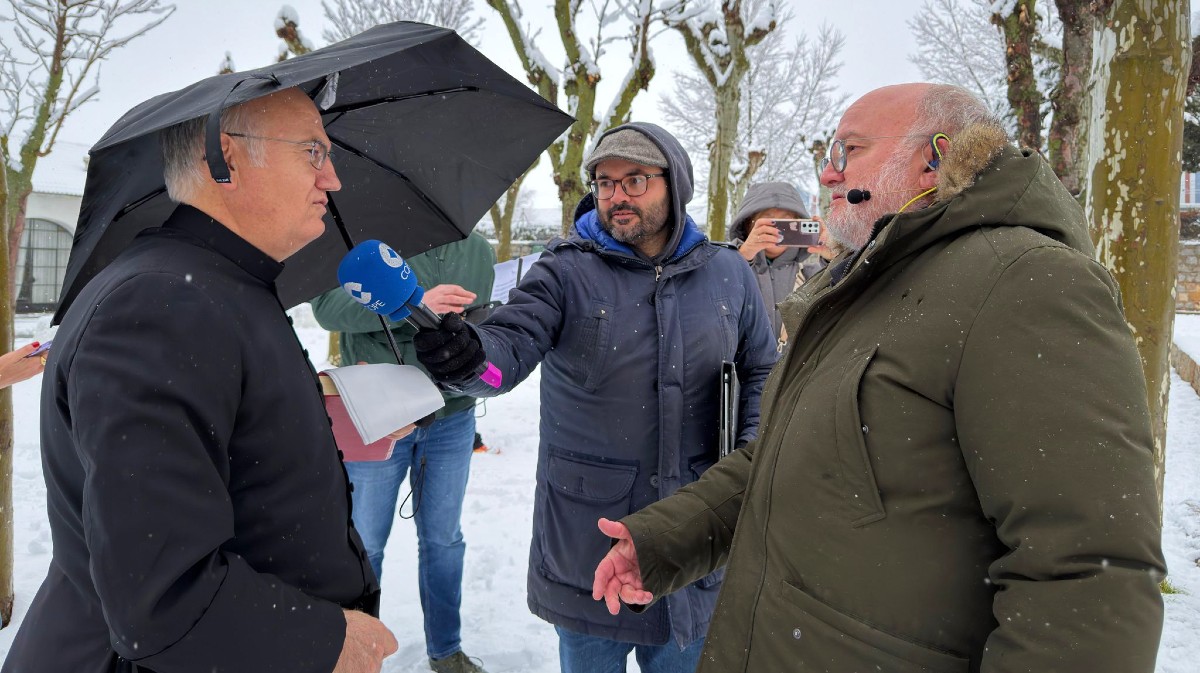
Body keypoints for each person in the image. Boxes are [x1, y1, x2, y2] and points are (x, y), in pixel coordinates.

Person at [591, 83, 1167, 673]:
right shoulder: (861, 285)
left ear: (937, 155)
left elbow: (1086, 577)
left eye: (849, 151)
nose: (828, 174)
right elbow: (786, 458)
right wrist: (665, 539)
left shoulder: (1024, 281)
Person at [3, 88, 399, 673]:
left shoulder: (215, 286)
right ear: (227, 158)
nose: (333, 179)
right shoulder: (161, 304)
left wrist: (335, 411)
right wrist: (326, 639)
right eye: (314, 152)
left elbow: (225, 435)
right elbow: (162, 597)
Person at [413, 122, 778, 672]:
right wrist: (469, 361)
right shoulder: (564, 271)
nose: (617, 196)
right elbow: (504, 355)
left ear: (674, 185)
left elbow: (762, 370)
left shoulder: (727, 271)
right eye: (605, 182)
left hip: (692, 541)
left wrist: (748, 452)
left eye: (635, 180)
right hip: (590, 545)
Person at [310, 231, 496, 673]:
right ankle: (355, 655)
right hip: (378, 416)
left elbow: (486, 321)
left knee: (443, 541)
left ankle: (446, 652)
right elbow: (326, 308)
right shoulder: (359, 239)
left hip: (451, 414)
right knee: (364, 544)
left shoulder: (477, 248)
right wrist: (412, 307)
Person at [729, 182, 825, 348]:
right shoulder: (724, 268)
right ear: (748, 225)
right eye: (769, 221)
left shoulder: (814, 275)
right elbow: (713, 295)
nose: (778, 230)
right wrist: (742, 256)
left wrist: (834, 256)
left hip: (796, 371)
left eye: (787, 221)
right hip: (741, 370)